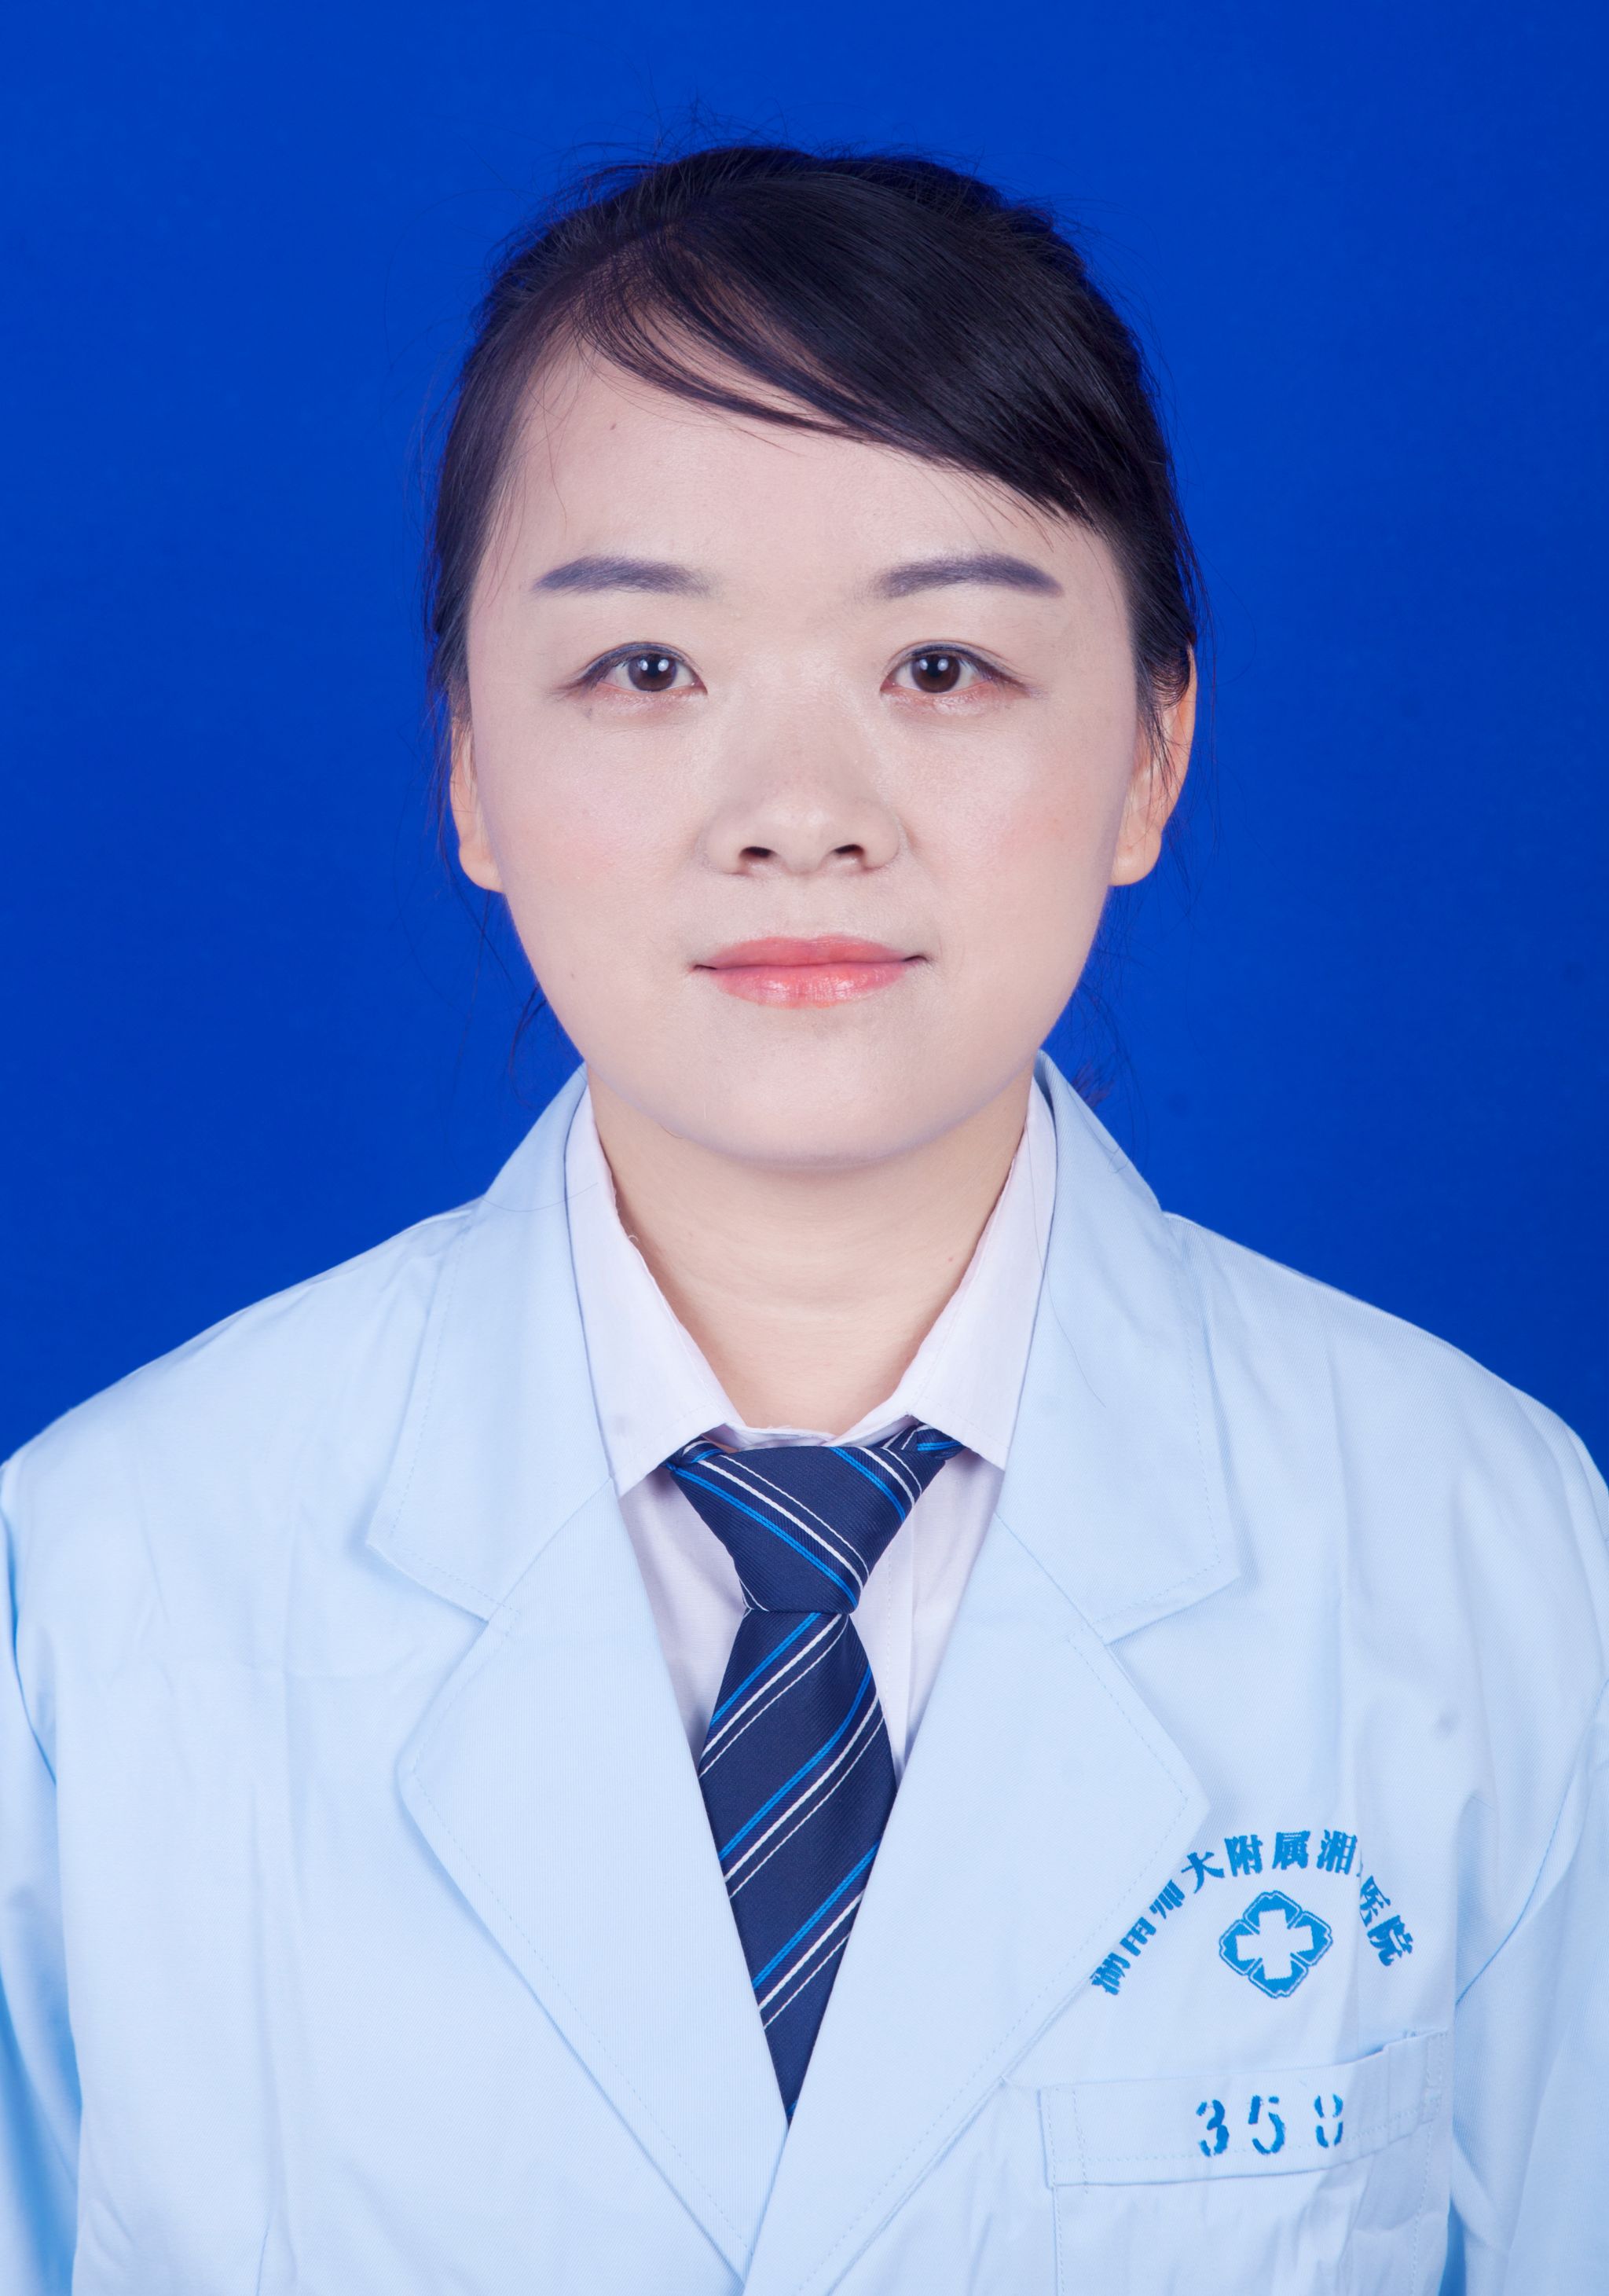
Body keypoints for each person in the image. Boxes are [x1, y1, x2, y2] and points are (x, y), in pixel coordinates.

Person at [2, 143, 1604, 2296]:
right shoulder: (101, 1586)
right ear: (467, 764)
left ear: (1155, 746)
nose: (800, 816)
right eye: (645, 669)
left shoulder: (1489, 1554)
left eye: (939, 666)